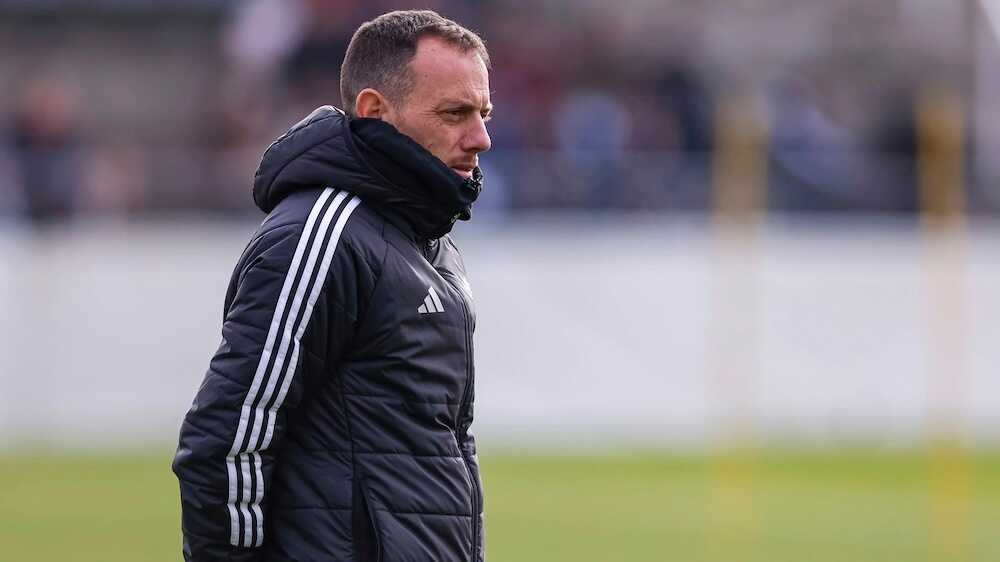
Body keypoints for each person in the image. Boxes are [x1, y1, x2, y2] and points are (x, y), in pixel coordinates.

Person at [172, 10, 492, 561]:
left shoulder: (428, 239)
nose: (481, 138)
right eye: (454, 113)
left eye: (484, 114)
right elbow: (227, 439)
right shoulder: (323, 234)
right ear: (375, 112)